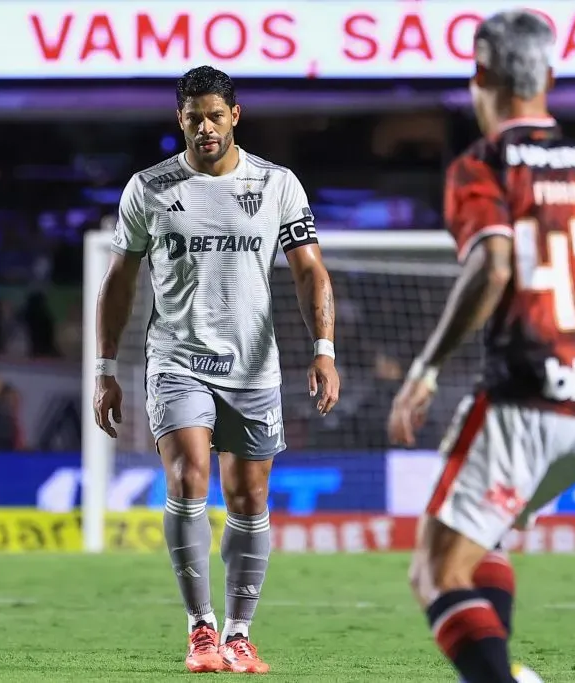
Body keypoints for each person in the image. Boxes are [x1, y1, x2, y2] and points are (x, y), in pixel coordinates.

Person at [385, 11, 575, 682]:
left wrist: (425, 370)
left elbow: (492, 267)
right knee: (482, 539)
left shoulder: (483, 165)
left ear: (479, 76)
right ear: (549, 76)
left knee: (436, 571)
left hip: (525, 400)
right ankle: (504, 670)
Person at [94, 65, 340, 674]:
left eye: (214, 116)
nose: (205, 127)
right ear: (178, 120)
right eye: (193, 118)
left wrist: (324, 348)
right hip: (177, 360)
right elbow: (120, 280)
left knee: (248, 497)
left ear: (235, 116)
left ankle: (239, 633)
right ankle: (201, 628)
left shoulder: (277, 184)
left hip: (253, 367)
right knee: (187, 477)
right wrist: (104, 367)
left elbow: (310, 270)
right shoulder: (149, 189)